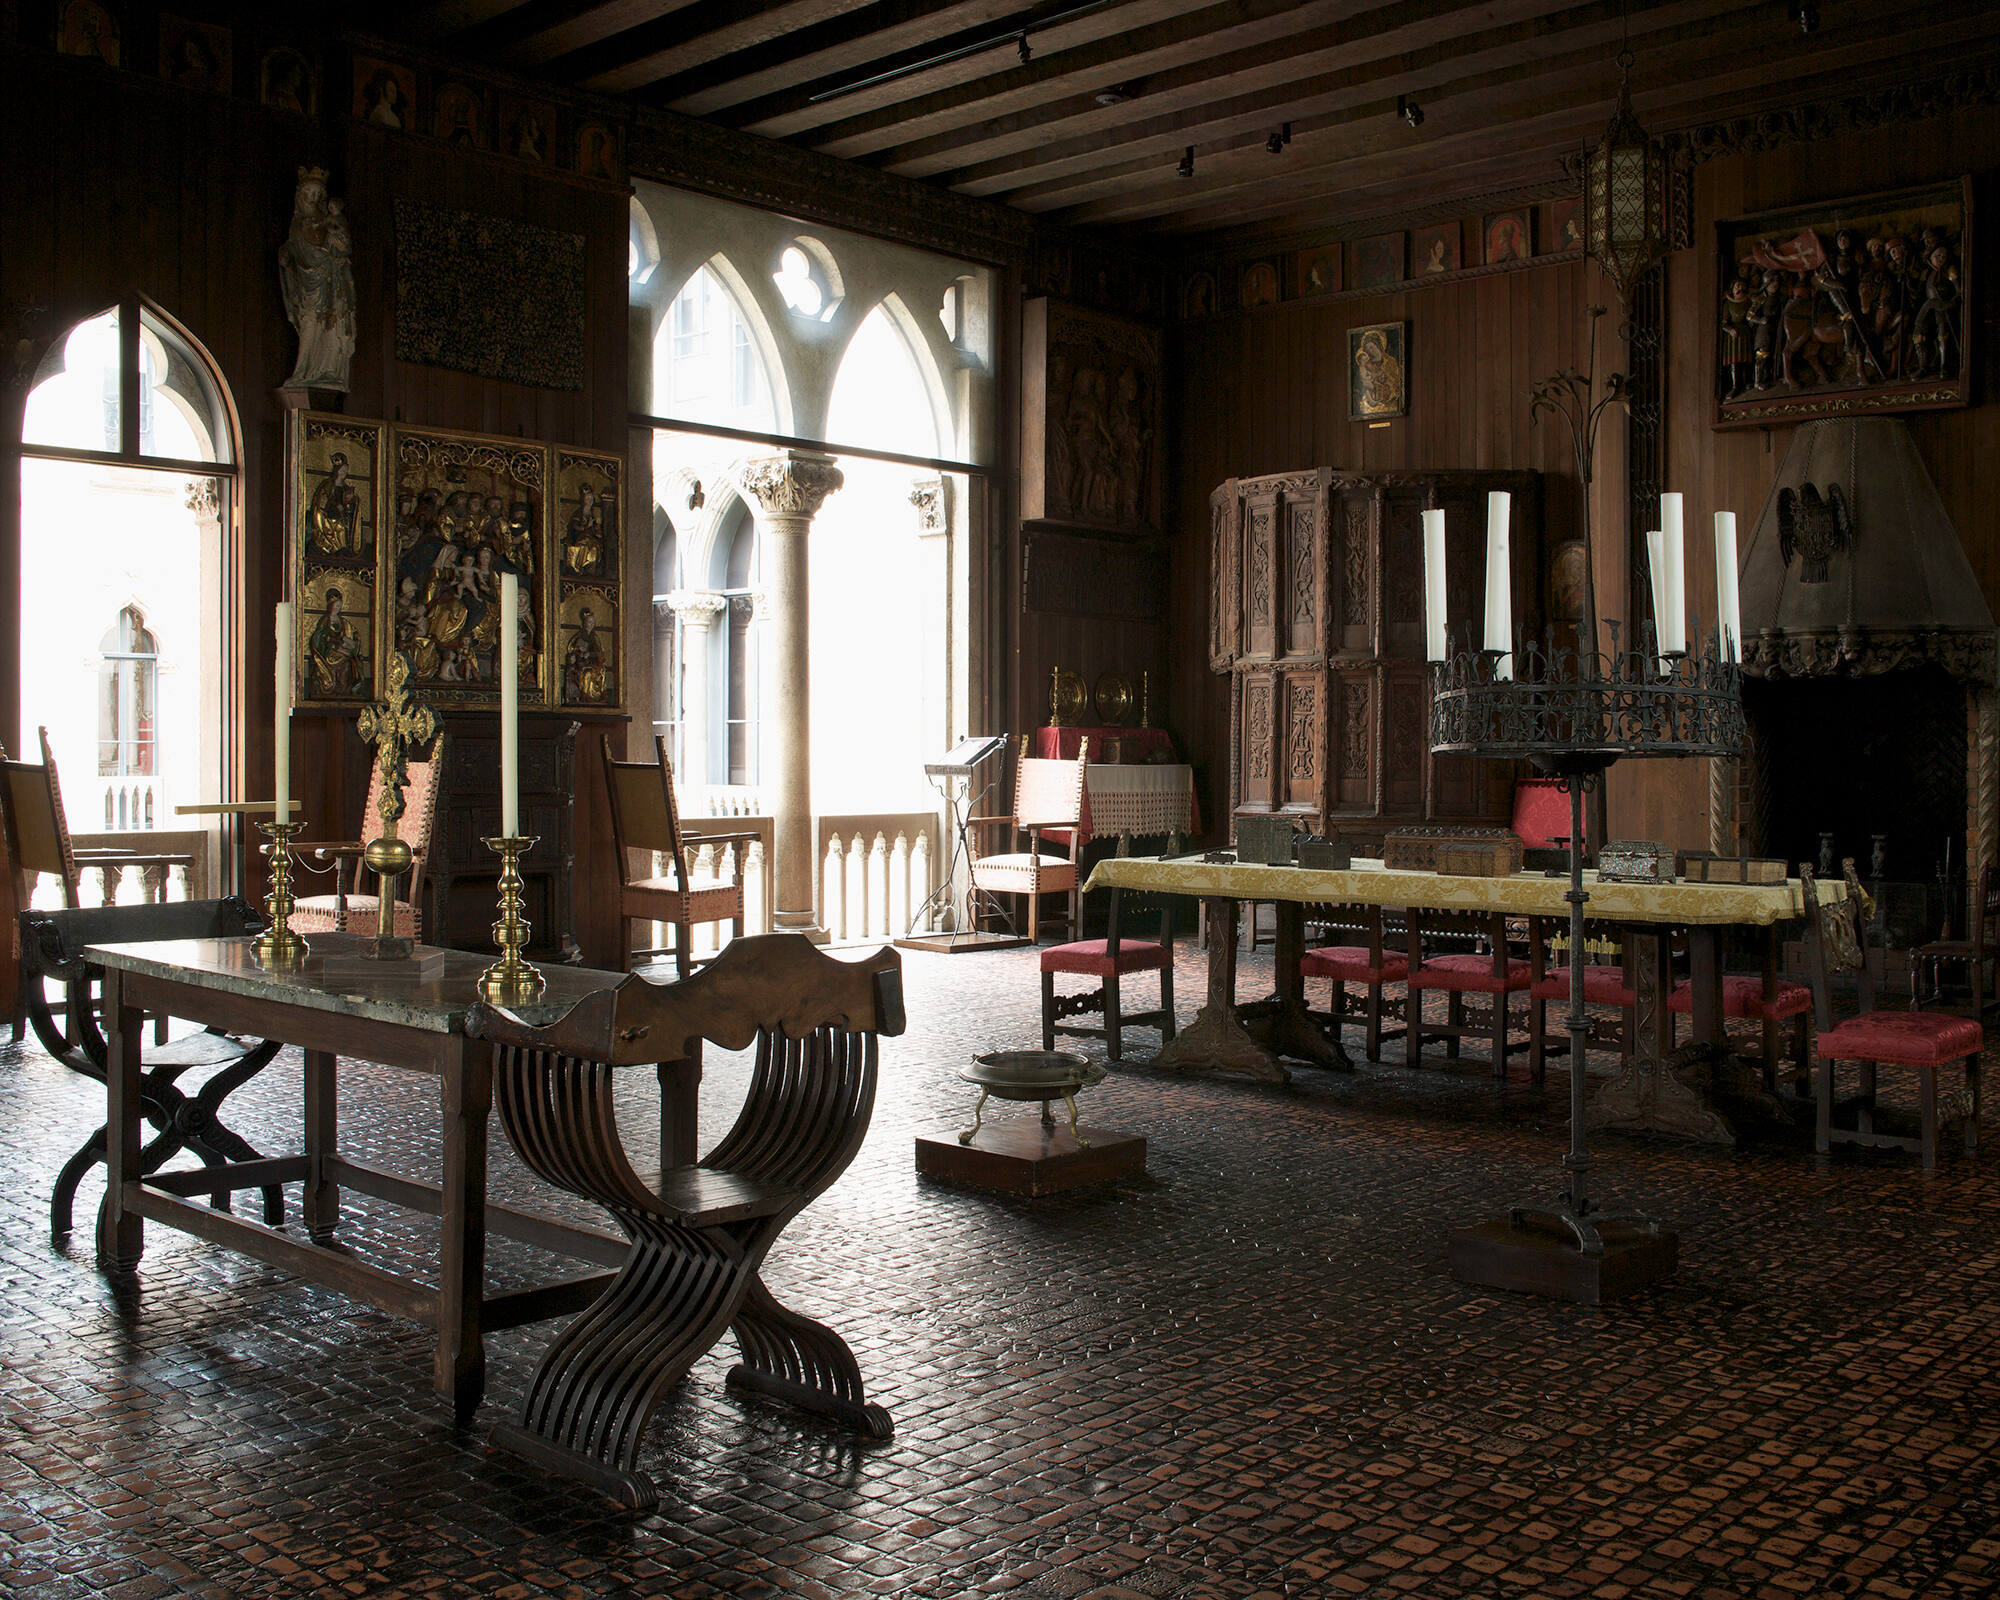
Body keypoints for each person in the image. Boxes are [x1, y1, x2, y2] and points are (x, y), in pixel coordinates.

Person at [307, 588, 367, 698]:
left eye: (339, 606)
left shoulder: (344, 622)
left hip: (342, 650)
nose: (337, 609)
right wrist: (330, 640)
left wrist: (350, 640)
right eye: (335, 606)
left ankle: (344, 690)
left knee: (349, 663)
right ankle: (331, 688)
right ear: (330, 606)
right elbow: (319, 637)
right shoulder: (325, 621)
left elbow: (352, 636)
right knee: (342, 661)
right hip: (329, 651)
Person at [308, 452, 362, 555]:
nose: (344, 473)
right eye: (342, 470)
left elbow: (350, 504)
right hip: (328, 515)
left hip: (341, 516)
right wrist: (335, 505)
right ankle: (329, 545)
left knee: (343, 525)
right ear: (337, 470)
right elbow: (321, 502)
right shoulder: (328, 485)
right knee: (335, 524)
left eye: (345, 471)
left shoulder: (346, 488)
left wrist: (352, 501)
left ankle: (342, 548)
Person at [564, 484, 604, 574]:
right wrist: (586, 526)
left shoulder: (592, 514)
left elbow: (595, 529)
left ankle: (591, 570)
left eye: (591, 500)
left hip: (591, 539)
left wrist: (597, 530)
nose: (589, 502)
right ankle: (580, 569)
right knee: (584, 546)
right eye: (587, 500)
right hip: (579, 537)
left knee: (595, 547)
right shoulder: (578, 513)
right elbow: (575, 526)